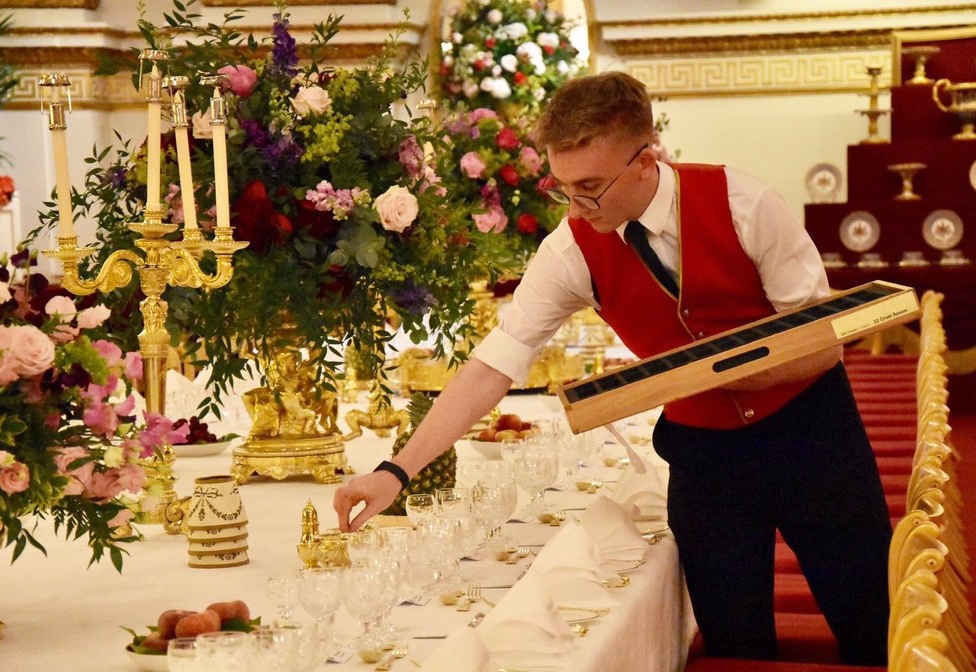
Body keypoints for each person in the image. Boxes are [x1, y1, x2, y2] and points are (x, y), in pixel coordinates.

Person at [333, 71, 891, 665]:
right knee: (733, 649)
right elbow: (495, 364)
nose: (576, 206)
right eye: (564, 187)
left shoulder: (745, 203)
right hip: (707, 463)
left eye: (592, 187)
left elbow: (822, 345)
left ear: (646, 159)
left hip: (814, 438)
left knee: (876, 631)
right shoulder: (572, 247)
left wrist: (692, 373)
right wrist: (396, 471)